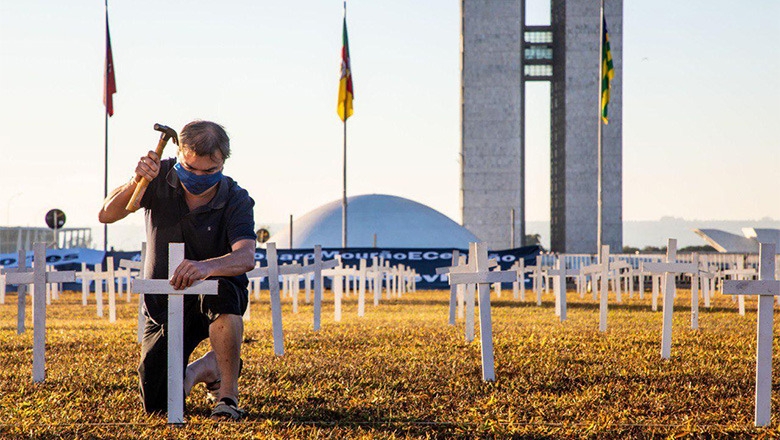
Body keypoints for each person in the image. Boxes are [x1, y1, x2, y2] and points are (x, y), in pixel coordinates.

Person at [98, 120, 256, 420]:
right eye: (190, 168)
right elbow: (107, 214)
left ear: (223, 161)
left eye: (209, 171)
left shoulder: (235, 197)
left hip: (211, 293)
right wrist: (136, 181)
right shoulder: (157, 176)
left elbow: (245, 257)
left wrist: (206, 267)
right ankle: (204, 368)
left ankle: (227, 396)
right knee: (158, 405)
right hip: (162, 302)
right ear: (179, 153)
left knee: (222, 293)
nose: (198, 177)